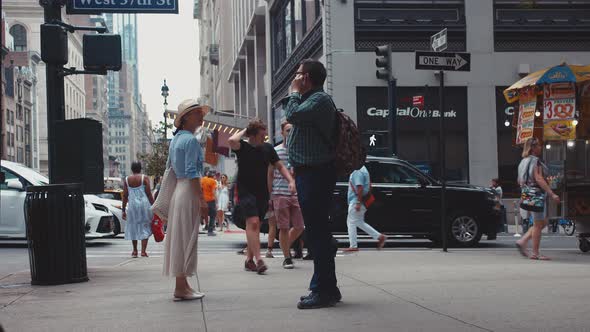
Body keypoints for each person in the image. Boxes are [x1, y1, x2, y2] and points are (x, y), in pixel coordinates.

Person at [284, 59, 341, 309]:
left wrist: (294, 93)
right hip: (310, 173)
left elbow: (292, 115)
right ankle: (328, 287)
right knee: (319, 233)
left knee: (317, 234)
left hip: (317, 174)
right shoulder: (313, 100)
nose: (294, 79)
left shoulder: (319, 100)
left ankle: (323, 290)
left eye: (297, 75)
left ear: (306, 77)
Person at [228, 119, 295, 275]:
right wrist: (246, 130)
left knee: (255, 227)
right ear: (252, 135)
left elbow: (280, 166)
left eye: (265, 135)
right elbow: (232, 140)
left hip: (262, 194)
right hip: (245, 192)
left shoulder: (268, 149)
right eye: (261, 135)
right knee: (253, 222)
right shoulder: (242, 147)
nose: (264, 138)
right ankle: (259, 260)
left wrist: (290, 180)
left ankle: (249, 260)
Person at [163, 99, 209, 301]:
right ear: (186, 117)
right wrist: (203, 200)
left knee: (180, 239)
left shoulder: (176, 140)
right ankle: (181, 287)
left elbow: (170, 169)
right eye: (198, 113)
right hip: (188, 191)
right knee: (186, 239)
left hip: (178, 192)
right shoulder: (190, 141)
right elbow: (192, 172)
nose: (202, 116)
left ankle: (182, 285)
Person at [515, 137, 560, 260]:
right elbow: (539, 178)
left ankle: (523, 241)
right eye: (539, 145)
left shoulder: (522, 162)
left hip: (526, 195)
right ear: (533, 148)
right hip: (536, 195)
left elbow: (520, 180)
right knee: (538, 224)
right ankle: (535, 252)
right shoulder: (536, 161)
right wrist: (552, 193)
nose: (541, 147)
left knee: (542, 222)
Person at [268, 121, 305, 269]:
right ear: (282, 133)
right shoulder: (275, 151)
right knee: (283, 227)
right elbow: (270, 173)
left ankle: (284, 247)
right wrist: (269, 195)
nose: (290, 133)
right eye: (288, 130)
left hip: (296, 194)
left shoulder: (298, 150)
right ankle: (287, 257)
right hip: (280, 193)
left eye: (292, 130)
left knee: (299, 225)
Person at [345, 165, 386, 252]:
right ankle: (379, 236)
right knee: (358, 222)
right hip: (361, 200)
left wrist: (358, 202)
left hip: (356, 200)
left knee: (352, 222)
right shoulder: (363, 169)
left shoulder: (357, 170)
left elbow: (359, 188)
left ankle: (353, 246)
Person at [122, 161, 155, 258]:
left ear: (132, 169)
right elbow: (149, 194)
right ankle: (143, 252)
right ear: (140, 168)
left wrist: (123, 210)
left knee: (134, 227)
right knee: (144, 226)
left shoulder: (127, 180)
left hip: (132, 206)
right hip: (144, 205)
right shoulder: (144, 178)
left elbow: (125, 195)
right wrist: (154, 206)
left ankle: (134, 251)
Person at [201, 171, 218, 236]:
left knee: (203, 214)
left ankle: (204, 226)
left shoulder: (203, 179)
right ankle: (210, 230)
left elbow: (201, 189)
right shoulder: (213, 181)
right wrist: (216, 201)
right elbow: (214, 192)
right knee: (213, 215)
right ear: (213, 176)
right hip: (210, 200)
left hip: (203, 200)